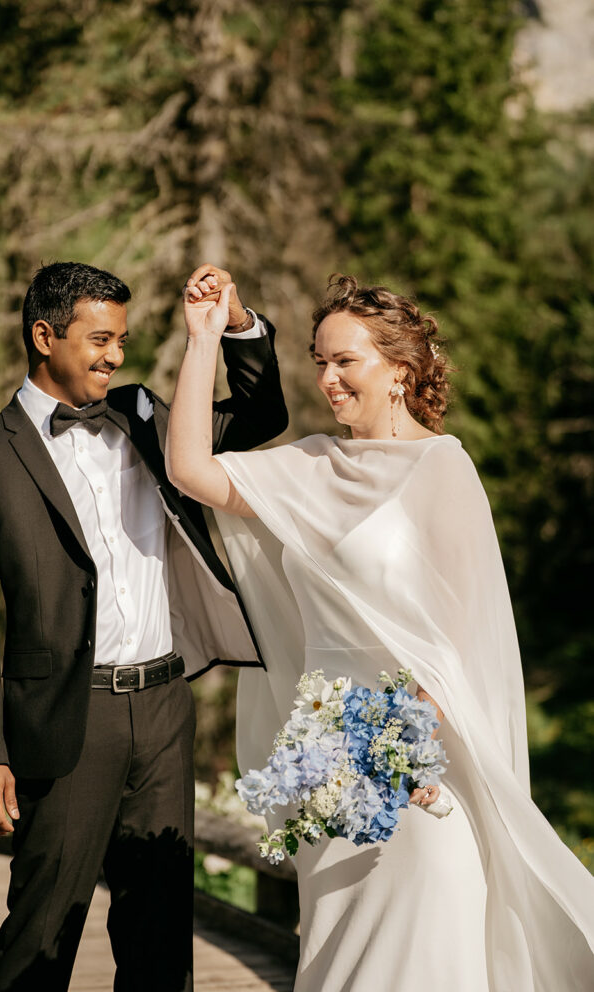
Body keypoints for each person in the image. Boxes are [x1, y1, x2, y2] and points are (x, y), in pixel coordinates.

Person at [165, 274, 594, 991]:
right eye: (320, 362)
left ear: (398, 370)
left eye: (346, 362)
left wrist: (401, 760)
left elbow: (456, 640)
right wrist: (204, 336)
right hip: (323, 764)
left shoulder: (442, 468)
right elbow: (188, 468)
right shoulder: (304, 466)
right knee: (338, 958)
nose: (328, 379)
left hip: (418, 771)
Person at [0, 260, 288, 992]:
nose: (115, 356)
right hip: (67, 720)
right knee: (44, 928)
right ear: (44, 335)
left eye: (122, 340)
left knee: (160, 931)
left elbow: (259, 417)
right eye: (100, 339)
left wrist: (234, 322)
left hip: (164, 706)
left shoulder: (146, 415)